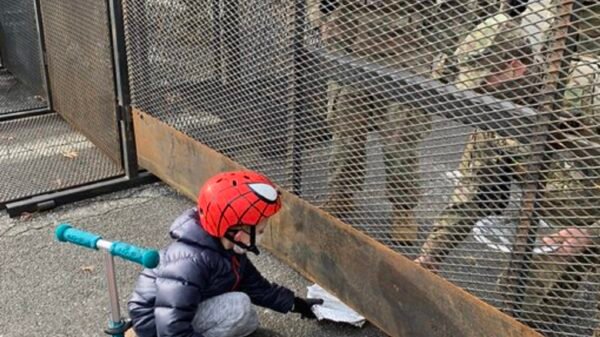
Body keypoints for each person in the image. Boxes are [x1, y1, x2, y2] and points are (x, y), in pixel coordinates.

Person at [414, 1, 600, 335]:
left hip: (592, 226)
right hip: (568, 231)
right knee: (521, 302)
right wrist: (431, 256)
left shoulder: (589, 89)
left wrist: (591, 233)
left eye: (485, 81)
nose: (480, 93)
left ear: (515, 66)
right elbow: (471, 195)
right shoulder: (496, 113)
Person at [307, 0, 499, 245]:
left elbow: (459, 8)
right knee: (346, 133)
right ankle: (342, 194)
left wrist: (437, 47)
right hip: (349, 48)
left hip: (407, 55)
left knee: (401, 140)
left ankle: (403, 209)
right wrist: (321, 19)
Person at [127, 170, 323, 337]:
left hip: (180, 309)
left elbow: (257, 287)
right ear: (235, 232)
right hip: (153, 322)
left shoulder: (227, 249)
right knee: (238, 307)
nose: (262, 237)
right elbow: (170, 325)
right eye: (260, 231)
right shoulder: (190, 261)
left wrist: (296, 304)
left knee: (248, 321)